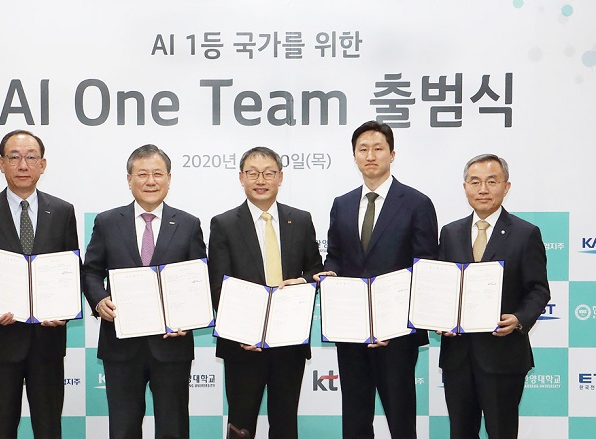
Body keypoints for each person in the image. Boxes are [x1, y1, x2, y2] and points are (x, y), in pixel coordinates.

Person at [316, 120, 438, 439]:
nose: (370, 155)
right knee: (355, 419)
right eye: (363, 149)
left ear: (392, 154)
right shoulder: (342, 204)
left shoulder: (417, 203)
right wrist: (330, 274)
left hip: (397, 333)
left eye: (378, 148)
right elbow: (336, 257)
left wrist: (392, 320)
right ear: (354, 156)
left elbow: (426, 267)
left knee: (400, 419)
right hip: (351, 331)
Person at [0, 129, 79, 438]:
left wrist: (64, 310)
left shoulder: (62, 211)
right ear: (2, 163)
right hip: (0, 341)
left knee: (49, 429)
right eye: (14, 157)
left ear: (43, 164)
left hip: (47, 342)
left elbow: (71, 269)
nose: (23, 165)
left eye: (31, 157)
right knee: (0, 430)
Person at [82, 144, 206, 439]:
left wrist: (188, 318)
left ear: (169, 178)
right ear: (129, 179)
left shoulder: (188, 224)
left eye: (158, 174)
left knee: (173, 428)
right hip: (121, 345)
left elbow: (198, 280)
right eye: (142, 174)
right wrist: (99, 300)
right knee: (123, 428)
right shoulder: (107, 222)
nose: (151, 181)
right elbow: (91, 271)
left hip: (171, 345)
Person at [208, 146, 323, 439]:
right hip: (243, 346)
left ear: (280, 177)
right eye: (253, 173)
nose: (261, 180)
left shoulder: (301, 220)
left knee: (285, 425)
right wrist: (242, 331)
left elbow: (315, 269)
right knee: (241, 426)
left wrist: (303, 282)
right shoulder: (223, 224)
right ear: (241, 178)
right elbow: (218, 286)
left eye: (269, 173)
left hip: (289, 342)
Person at [438, 154, 550, 439]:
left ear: (506, 186)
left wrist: (519, 318)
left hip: (503, 355)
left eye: (492, 181)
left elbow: (538, 289)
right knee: (460, 433)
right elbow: (441, 287)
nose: (483, 189)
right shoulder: (449, 233)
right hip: (457, 357)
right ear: (465, 187)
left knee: (502, 432)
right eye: (475, 182)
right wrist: (439, 318)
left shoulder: (525, 233)